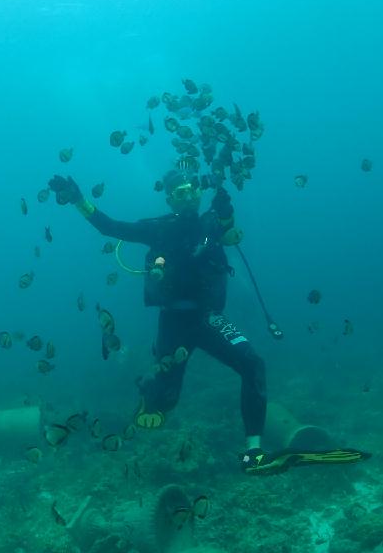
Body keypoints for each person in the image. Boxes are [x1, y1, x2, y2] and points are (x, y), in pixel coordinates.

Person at [49, 169, 272, 473]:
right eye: (179, 192)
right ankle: (148, 393)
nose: (188, 196)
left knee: (253, 363)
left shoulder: (211, 222)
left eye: (192, 189)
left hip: (209, 318)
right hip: (173, 322)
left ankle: (254, 452)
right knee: (165, 401)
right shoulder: (157, 228)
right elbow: (110, 227)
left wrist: (226, 211)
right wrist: (78, 199)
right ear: (169, 199)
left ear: (199, 192)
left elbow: (229, 232)